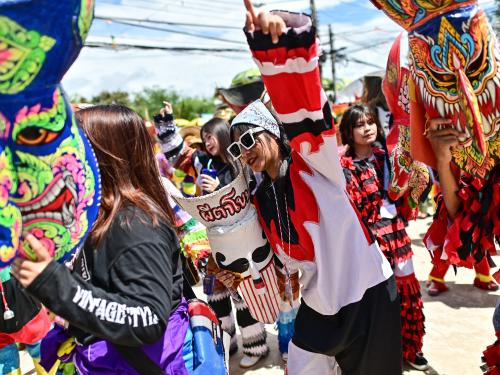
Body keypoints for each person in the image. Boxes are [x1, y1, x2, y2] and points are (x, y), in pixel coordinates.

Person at [223, 3, 402, 374]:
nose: (245, 152)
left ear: (272, 131)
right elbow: (264, 263)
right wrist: (234, 271)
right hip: (318, 307)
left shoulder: (316, 167)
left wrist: (277, 46)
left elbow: (304, 113)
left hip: (366, 295)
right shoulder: (260, 198)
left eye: (249, 139)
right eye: (236, 147)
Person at [11, 105, 194, 374]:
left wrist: (56, 285)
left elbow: (147, 318)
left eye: (72, 148)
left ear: (103, 157)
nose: (60, 159)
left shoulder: (135, 225)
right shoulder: (102, 218)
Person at [338, 104, 428, 370]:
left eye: (369, 122)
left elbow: (411, 193)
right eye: (359, 124)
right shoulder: (343, 166)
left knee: (407, 291)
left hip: (397, 235)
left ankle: (411, 348)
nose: (366, 128)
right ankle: (381, 351)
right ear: (348, 130)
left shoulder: (388, 155)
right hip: (369, 242)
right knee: (376, 300)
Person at [199, 117, 270, 368]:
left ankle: (255, 345)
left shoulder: (240, 165)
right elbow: (177, 157)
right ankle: (225, 343)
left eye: (211, 136)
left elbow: (248, 199)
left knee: (243, 296)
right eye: (204, 137)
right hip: (213, 244)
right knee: (215, 295)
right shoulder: (204, 163)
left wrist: (221, 189)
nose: (207, 142)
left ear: (222, 134)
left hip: (241, 246)